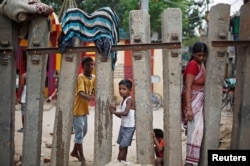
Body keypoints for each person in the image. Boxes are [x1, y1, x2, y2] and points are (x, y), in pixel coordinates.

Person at [181, 41, 208, 166]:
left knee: (196, 133)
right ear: (193, 54)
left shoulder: (201, 64)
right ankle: (189, 162)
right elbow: (188, 87)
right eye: (198, 55)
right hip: (192, 103)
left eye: (203, 55)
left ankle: (191, 161)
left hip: (198, 103)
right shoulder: (193, 65)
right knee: (194, 133)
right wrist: (189, 109)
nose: (201, 57)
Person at [70, 56, 95, 165]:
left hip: (85, 109)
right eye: (87, 65)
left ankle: (75, 151)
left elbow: (94, 90)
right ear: (83, 67)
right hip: (77, 109)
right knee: (79, 134)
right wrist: (89, 98)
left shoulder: (93, 77)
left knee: (84, 131)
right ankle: (82, 158)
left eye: (91, 64)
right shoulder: (80, 77)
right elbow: (80, 92)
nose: (90, 67)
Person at [109, 79, 136, 164]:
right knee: (123, 147)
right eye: (120, 89)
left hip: (129, 127)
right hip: (123, 126)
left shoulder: (129, 100)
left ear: (130, 90)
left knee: (122, 146)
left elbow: (125, 113)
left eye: (124, 89)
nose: (121, 91)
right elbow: (122, 116)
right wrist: (114, 112)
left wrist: (114, 112)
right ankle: (122, 162)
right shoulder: (122, 101)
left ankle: (118, 163)